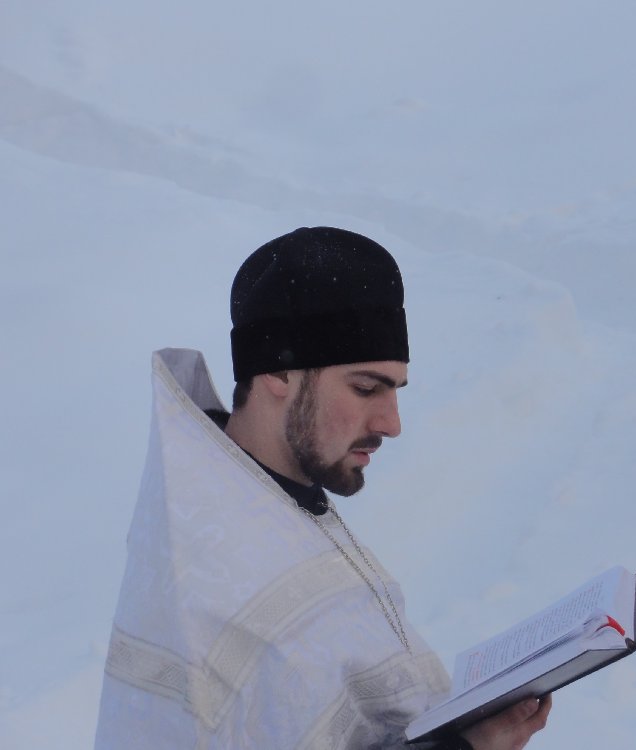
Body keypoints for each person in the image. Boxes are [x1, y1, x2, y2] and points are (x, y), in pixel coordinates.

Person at [94, 227, 551, 749]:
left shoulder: (263, 495)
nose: (392, 423)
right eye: (365, 388)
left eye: (395, 390)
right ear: (278, 372)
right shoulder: (215, 573)